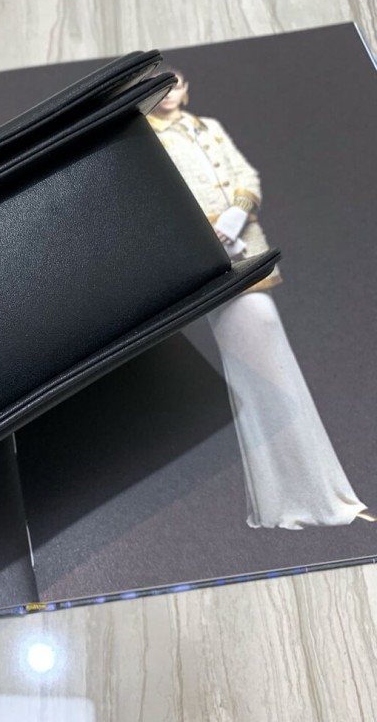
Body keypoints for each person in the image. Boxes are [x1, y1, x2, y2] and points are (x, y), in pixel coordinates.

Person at [147, 68, 371, 529]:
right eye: (161, 87)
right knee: (260, 381)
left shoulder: (207, 126)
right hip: (208, 261)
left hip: (244, 248)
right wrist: (210, 231)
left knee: (275, 374)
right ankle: (300, 500)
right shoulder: (148, 140)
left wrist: (235, 217)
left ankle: (314, 496)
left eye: (177, 83)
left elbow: (245, 175)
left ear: (187, 88)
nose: (171, 93)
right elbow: (159, 198)